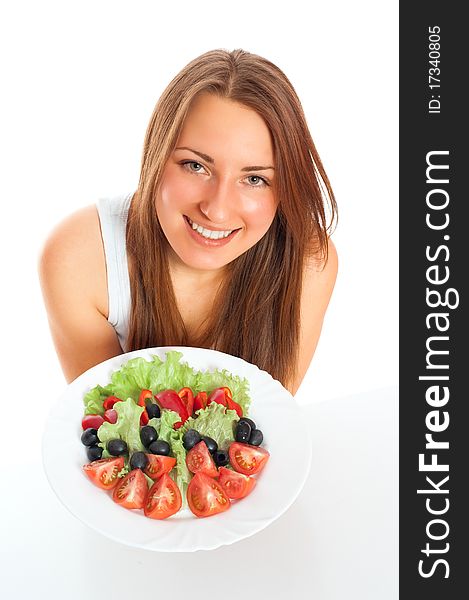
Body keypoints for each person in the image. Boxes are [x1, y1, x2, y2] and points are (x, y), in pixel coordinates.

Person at [38, 48, 338, 395]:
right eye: (195, 166)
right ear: (156, 154)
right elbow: (108, 432)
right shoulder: (80, 257)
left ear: (284, 186)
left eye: (254, 179)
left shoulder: (308, 262)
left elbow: (265, 430)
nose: (218, 210)